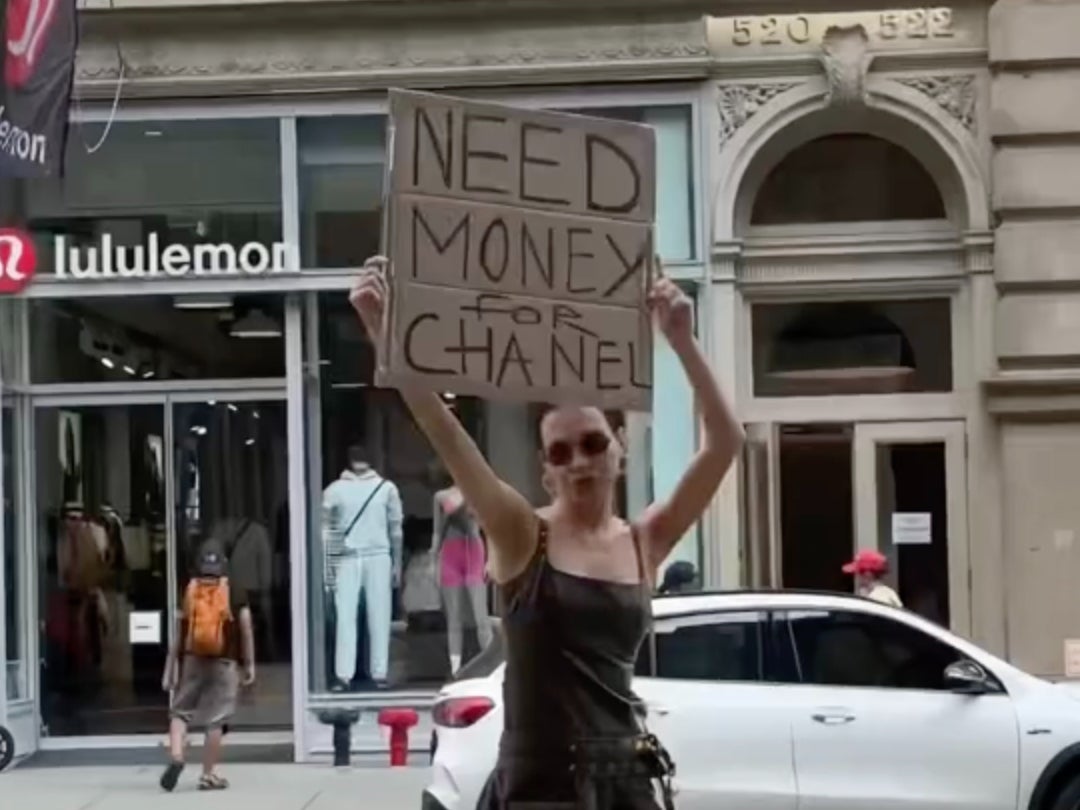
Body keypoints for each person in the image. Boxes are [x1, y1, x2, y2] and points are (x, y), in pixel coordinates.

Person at [350, 255, 743, 809]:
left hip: (624, 783)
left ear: (621, 450)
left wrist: (682, 339)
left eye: (593, 443)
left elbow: (726, 443)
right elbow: (446, 434)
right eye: (561, 452)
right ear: (545, 471)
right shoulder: (520, 533)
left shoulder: (643, 539)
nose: (580, 461)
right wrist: (385, 338)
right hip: (542, 789)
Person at [160, 541, 255, 792]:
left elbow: (179, 635)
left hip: (193, 659)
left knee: (180, 712)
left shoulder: (191, 590)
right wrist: (249, 663)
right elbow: (245, 629)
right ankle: (208, 774)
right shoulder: (233, 590)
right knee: (217, 720)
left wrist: (170, 668)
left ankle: (177, 756)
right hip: (225, 662)